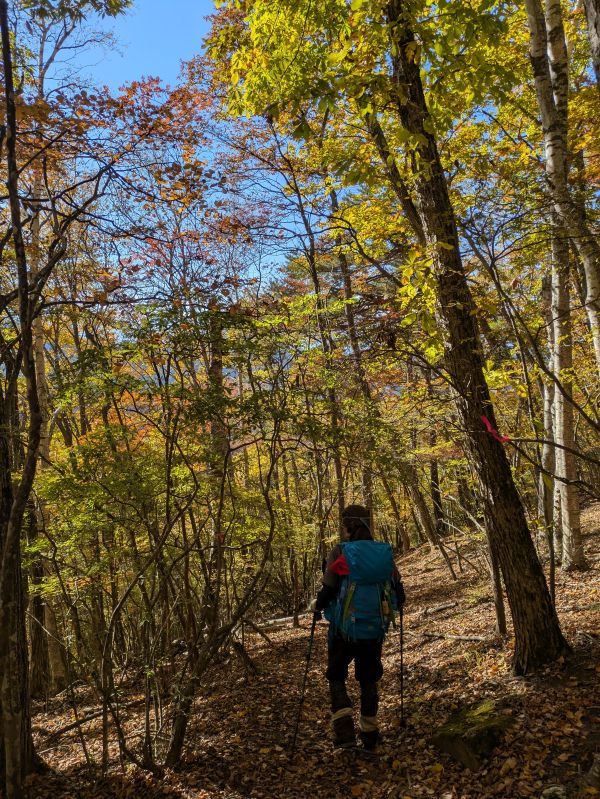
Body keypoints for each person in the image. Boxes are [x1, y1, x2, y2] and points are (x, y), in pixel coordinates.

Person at [311, 504, 406, 751]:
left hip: (343, 630)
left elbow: (329, 587)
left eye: (344, 525)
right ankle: (370, 735)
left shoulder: (341, 552)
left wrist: (317, 607)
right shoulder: (382, 553)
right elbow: (399, 590)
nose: (343, 529)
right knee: (368, 678)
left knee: (336, 675)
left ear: (351, 526)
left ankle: (344, 736)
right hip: (374, 629)